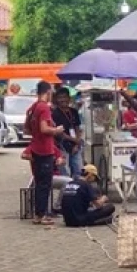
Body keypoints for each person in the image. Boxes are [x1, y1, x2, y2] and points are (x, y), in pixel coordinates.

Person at [26, 80, 63, 225]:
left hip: (36, 147)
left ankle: (38, 213)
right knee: (44, 184)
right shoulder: (44, 108)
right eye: (51, 93)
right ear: (47, 92)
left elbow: (27, 128)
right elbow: (43, 128)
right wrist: (56, 130)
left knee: (39, 182)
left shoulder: (33, 108)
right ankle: (41, 215)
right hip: (45, 150)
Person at [51, 87, 83, 178]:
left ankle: (77, 191)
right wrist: (75, 140)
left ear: (69, 98)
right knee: (65, 173)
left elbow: (77, 127)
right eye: (60, 97)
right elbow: (60, 133)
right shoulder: (55, 114)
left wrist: (77, 143)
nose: (62, 100)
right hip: (62, 146)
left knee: (77, 171)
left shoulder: (74, 112)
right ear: (56, 99)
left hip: (75, 146)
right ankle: (66, 191)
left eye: (64, 97)